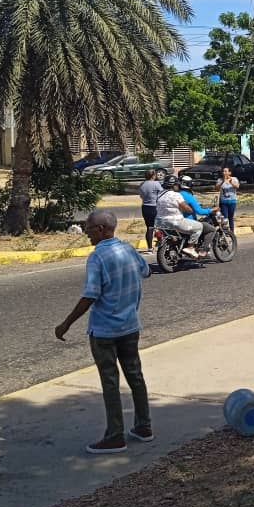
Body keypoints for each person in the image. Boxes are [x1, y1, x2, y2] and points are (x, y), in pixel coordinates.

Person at [55, 210, 153, 453]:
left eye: (88, 227)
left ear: (100, 230)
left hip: (105, 331)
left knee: (110, 382)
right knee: (135, 376)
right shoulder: (128, 249)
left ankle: (115, 435)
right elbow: (146, 271)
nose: (86, 231)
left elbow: (90, 294)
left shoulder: (97, 257)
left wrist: (66, 322)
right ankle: (144, 426)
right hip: (130, 325)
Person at [156, 175, 202, 258]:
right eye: (177, 185)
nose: (178, 186)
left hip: (160, 222)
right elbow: (187, 208)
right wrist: (191, 209)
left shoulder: (160, 195)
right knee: (199, 226)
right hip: (175, 222)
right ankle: (190, 247)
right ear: (174, 185)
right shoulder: (176, 195)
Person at [178, 176, 219, 253]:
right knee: (211, 230)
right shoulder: (188, 196)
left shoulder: (177, 194)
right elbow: (199, 211)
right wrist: (211, 210)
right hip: (189, 222)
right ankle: (203, 250)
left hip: (178, 221)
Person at [138, 169, 163, 252]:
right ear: (153, 176)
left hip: (145, 207)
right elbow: (162, 194)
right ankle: (160, 242)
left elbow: (141, 196)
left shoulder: (142, 184)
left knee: (149, 227)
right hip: (155, 206)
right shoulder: (156, 184)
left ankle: (149, 247)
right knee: (159, 226)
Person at [217, 166, 240, 231]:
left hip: (232, 201)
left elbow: (237, 186)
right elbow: (216, 188)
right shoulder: (220, 180)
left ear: (229, 172)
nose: (224, 173)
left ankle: (232, 231)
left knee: (231, 217)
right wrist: (222, 182)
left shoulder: (234, 179)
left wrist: (231, 182)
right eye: (223, 171)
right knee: (224, 217)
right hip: (223, 202)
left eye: (226, 171)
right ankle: (225, 231)